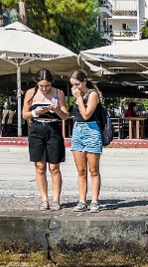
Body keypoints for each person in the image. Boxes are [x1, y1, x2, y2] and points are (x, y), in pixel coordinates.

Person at [22, 69, 68, 211]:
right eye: (41, 86)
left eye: (47, 85)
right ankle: (44, 199)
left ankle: (56, 200)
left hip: (53, 127)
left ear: (51, 83)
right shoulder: (31, 93)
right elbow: (25, 114)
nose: (44, 89)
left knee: (54, 166)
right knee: (40, 166)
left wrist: (57, 110)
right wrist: (36, 112)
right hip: (37, 128)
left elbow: (66, 116)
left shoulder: (58, 93)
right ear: (37, 83)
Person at [70, 69, 104, 213]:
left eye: (77, 84)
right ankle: (82, 200)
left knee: (93, 170)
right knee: (81, 170)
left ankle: (94, 201)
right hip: (77, 131)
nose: (75, 87)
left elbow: (86, 114)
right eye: (72, 85)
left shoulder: (92, 94)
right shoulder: (77, 94)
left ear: (84, 82)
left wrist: (78, 98)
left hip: (91, 130)